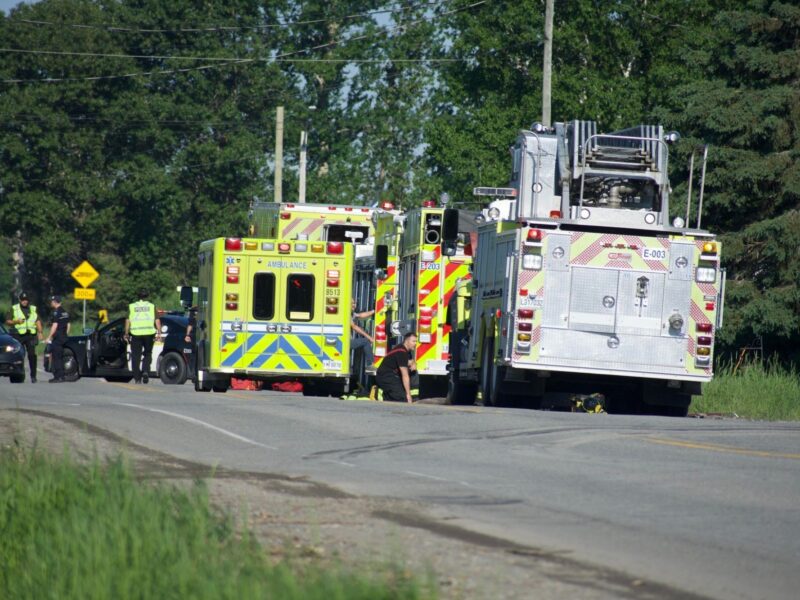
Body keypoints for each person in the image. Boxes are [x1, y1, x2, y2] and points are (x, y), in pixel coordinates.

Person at [125, 290, 161, 384]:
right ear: (147, 296)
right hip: (149, 333)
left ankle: (137, 378)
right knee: (148, 353)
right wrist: (159, 332)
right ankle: (145, 371)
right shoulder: (151, 306)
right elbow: (157, 320)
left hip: (136, 333)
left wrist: (126, 333)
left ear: (138, 296)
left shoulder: (132, 306)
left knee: (136, 356)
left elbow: (128, 321)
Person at [6, 292, 43, 382]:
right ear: (19, 300)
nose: (24, 302)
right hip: (18, 335)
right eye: (23, 300)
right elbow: (8, 321)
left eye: (26, 300)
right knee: (19, 355)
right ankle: (19, 375)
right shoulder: (14, 308)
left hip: (30, 335)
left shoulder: (33, 309)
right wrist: (16, 321)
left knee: (32, 355)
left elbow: (37, 321)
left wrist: (40, 332)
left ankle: (33, 376)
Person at [376, 332, 417, 403]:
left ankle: (388, 397)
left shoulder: (406, 350)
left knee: (414, 373)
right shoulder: (401, 351)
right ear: (407, 341)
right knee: (402, 399)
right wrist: (408, 395)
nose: (415, 343)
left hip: (392, 376)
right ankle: (379, 394)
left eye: (416, 341)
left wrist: (413, 363)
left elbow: (411, 361)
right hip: (385, 376)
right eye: (413, 341)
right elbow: (404, 374)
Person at [45, 295, 70, 383]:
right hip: (63, 337)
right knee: (61, 356)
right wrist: (65, 334)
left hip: (58, 337)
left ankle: (59, 376)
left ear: (55, 302)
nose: (51, 303)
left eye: (52, 301)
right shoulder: (65, 312)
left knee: (56, 357)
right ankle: (62, 375)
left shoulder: (57, 312)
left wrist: (49, 337)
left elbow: (54, 325)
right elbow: (68, 325)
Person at [351, 299, 375, 370]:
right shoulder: (346, 313)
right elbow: (354, 327)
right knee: (365, 341)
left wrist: (373, 311)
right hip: (345, 342)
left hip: (346, 341)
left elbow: (361, 315)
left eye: (355, 303)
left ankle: (355, 371)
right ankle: (370, 365)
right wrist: (369, 337)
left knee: (359, 348)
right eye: (352, 303)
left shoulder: (352, 313)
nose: (354, 305)